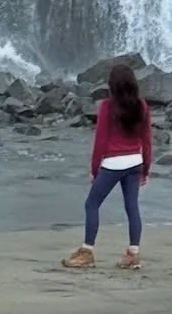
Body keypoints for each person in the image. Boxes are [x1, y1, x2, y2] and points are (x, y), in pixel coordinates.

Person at [61, 61, 152, 271]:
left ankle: (87, 252)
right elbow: (147, 140)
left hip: (113, 164)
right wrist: (146, 169)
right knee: (132, 208)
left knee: (91, 204)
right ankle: (133, 254)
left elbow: (100, 142)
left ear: (112, 85)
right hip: (135, 162)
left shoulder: (107, 107)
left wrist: (95, 170)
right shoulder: (142, 106)